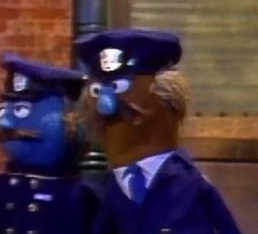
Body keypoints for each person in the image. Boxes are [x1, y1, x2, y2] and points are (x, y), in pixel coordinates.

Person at [77, 28, 241, 234]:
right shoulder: (111, 190)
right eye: (97, 91)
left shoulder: (189, 182)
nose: (106, 106)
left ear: (168, 95)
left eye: (120, 87)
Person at [0, 51, 99, 234]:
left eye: (21, 110)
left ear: (71, 117)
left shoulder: (81, 194)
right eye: (3, 110)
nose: (5, 123)